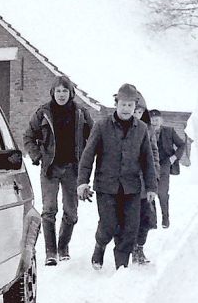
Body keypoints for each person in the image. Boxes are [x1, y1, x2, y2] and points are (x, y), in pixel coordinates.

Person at [77, 83, 158, 270]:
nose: (126, 109)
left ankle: (121, 268)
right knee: (109, 225)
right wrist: (82, 182)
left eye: (130, 105)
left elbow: (148, 160)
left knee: (130, 229)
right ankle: (100, 245)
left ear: (135, 106)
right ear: (116, 103)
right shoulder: (102, 126)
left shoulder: (142, 129)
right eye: (123, 104)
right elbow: (88, 155)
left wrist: (152, 187)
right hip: (106, 186)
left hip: (132, 187)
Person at [23, 76, 94, 266]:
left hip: (73, 169)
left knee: (71, 212)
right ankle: (50, 252)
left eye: (65, 91)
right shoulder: (43, 113)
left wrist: (88, 163)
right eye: (58, 91)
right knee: (49, 210)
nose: (61, 95)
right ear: (53, 93)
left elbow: (93, 139)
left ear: (71, 93)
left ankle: (63, 247)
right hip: (50, 169)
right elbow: (29, 136)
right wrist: (37, 155)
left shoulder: (81, 113)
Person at [133, 99, 161, 265]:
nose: (136, 114)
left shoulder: (148, 130)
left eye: (139, 111)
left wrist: (155, 175)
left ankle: (139, 247)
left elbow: (155, 154)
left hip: (145, 180)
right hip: (127, 181)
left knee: (147, 217)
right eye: (135, 110)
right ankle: (128, 249)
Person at [150, 108, 187, 228]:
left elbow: (182, 144)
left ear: (161, 120)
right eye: (152, 120)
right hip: (149, 165)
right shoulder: (145, 132)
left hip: (165, 164)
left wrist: (174, 157)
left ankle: (165, 218)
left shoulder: (169, 131)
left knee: (162, 192)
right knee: (150, 192)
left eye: (157, 119)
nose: (155, 122)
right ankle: (153, 220)